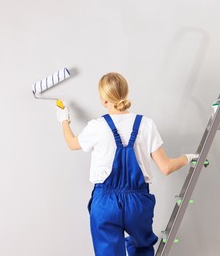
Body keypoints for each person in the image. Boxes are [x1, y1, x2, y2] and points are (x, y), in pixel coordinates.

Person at [56, 72, 198, 256]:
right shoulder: (146, 124)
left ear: (103, 99)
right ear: (126, 92)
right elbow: (166, 167)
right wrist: (188, 157)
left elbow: (71, 143)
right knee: (142, 248)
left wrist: (63, 120)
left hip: (105, 203)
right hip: (137, 203)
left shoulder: (97, 126)